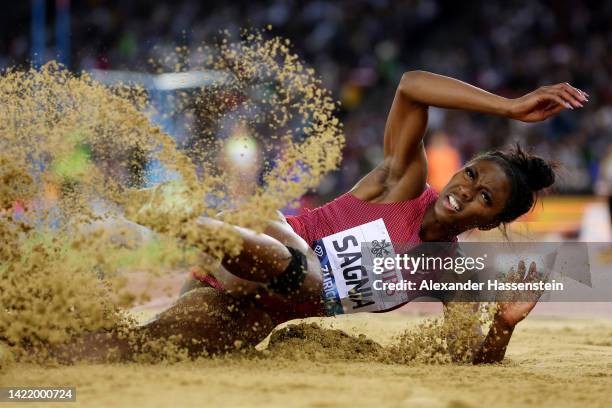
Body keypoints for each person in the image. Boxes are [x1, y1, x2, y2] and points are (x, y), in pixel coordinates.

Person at [58, 71, 588, 364]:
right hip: (255, 240)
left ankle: (27, 342)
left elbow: (463, 358)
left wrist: (501, 327)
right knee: (304, 262)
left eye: (484, 200)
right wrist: (509, 107)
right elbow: (410, 86)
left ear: (491, 222)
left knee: (132, 352)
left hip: (246, 312)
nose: (464, 192)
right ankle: (175, 217)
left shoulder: (449, 274)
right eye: (471, 175)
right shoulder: (402, 184)